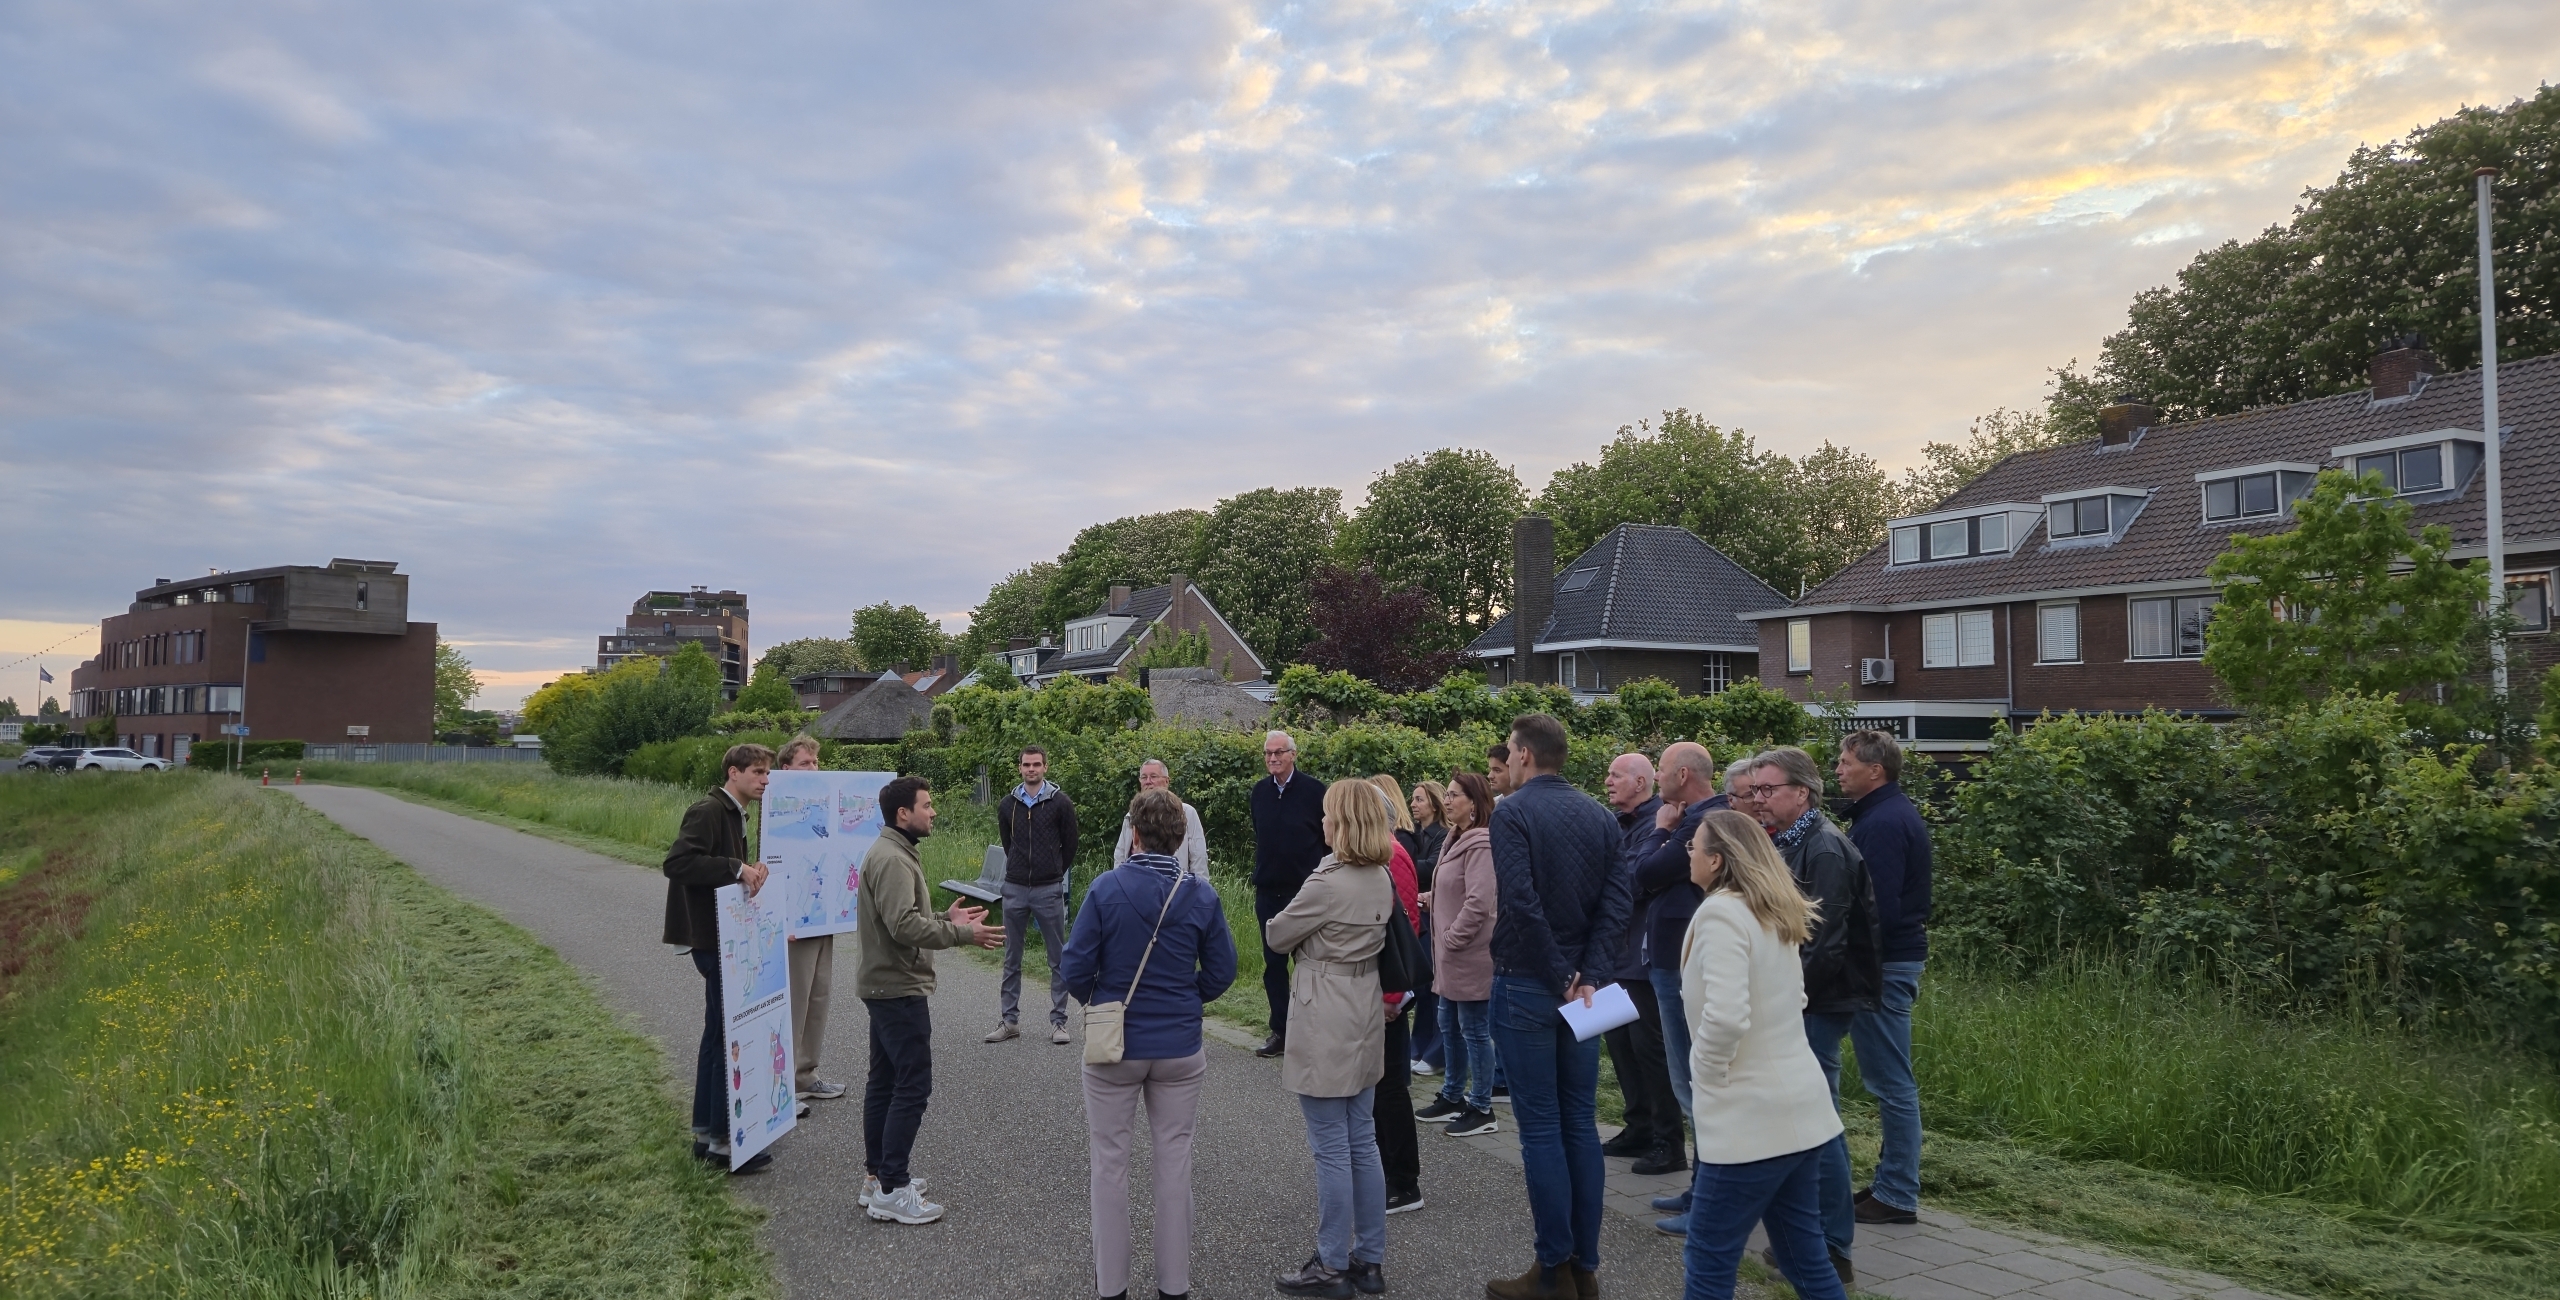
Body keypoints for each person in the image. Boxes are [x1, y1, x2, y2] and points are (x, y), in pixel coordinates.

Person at [1058, 788, 1238, 1300]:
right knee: (1175, 1162)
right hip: (1179, 1044)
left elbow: (1074, 968)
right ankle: (1173, 1286)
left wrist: (1100, 1000)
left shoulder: (1106, 887)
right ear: (1180, 838)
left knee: (1109, 1163)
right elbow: (1223, 970)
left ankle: (1112, 1286)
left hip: (1115, 1046)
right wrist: (1188, 997)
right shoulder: (1200, 894)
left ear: (1134, 834)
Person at [1483, 714, 1632, 1300]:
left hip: (1528, 981)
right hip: (1587, 991)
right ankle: (1583, 1267)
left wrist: (1561, 974)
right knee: (1580, 1124)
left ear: (1523, 754)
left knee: (1542, 1128)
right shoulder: (1600, 815)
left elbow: (1520, 902)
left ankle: (1552, 1270)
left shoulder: (1512, 813)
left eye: (1509, 751)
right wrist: (1589, 975)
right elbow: (1617, 902)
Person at [1677, 809, 1851, 1300]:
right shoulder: (1772, 908)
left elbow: (1727, 1016)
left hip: (1748, 1118)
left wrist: (1707, 1072)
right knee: (1805, 1257)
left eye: (1693, 846)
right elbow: (1797, 997)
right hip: (1799, 1108)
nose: (1688, 854)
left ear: (1715, 860)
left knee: (1708, 1258)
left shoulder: (1721, 913)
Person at [1743, 747, 1881, 1283]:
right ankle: (1806, 1240)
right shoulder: (1787, 841)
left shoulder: (1822, 848)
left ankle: (1831, 1249)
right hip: (1801, 998)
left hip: (1818, 1001)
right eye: (1755, 789)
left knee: (1816, 1123)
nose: (1759, 798)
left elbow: (1823, 944)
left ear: (1801, 792)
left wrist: (1782, 1002)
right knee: (1798, 1121)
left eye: (1768, 789)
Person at [1266, 779, 1398, 1299]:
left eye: (1327, 815)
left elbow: (1278, 934)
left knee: (1331, 1148)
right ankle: (1369, 1257)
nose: (1321, 821)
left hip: (1324, 1009)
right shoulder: (1381, 876)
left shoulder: (1327, 882)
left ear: (1341, 823)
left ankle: (1331, 1261)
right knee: (1362, 1138)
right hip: (1364, 1005)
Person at [855, 776, 1005, 1224]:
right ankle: (893, 1188)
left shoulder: (895, 851)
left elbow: (902, 918)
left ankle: (878, 1178)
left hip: (886, 983)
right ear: (904, 814)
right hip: (898, 987)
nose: (933, 811)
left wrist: (943, 916)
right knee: (912, 1085)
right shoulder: (892, 859)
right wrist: (962, 933)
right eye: (927, 805)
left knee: (885, 1081)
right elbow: (903, 926)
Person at [662, 742, 777, 1174]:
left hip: (725, 937)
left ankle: (709, 1136)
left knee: (718, 1035)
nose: (765, 780)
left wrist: (748, 871)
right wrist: (735, 867)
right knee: (725, 1037)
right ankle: (724, 1144)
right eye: (758, 772)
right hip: (712, 940)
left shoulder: (734, 812)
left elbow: (722, 869)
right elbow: (678, 863)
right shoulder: (709, 810)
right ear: (733, 772)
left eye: (767, 773)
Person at [1834, 730, 1932, 1226]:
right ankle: (1891, 1183)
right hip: (1887, 962)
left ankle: (1897, 1193)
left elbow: (1878, 909)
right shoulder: (1880, 816)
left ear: (1876, 770)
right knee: (1888, 1079)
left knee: (1891, 1082)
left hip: (1884, 965)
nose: (1838, 769)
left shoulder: (1884, 823)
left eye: (1846, 761)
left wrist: (1844, 957)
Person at [1632, 741, 1726, 1233]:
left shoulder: (1702, 822)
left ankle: (1709, 1203)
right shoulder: (1695, 818)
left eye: (1662, 769)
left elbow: (1645, 872)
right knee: (1684, 1079)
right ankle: (1700, 1187)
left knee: (1693, 1083)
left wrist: (1661, 830)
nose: (1657, 778)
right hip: (1669, 958)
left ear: (1683, 774)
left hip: (1680, 962)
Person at [1599, 752, 1683, 1174]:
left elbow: (1633, 881)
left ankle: (1669, 1140)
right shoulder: (1616, 824)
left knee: (1649, 1048)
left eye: (1616, 775)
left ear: (1641, 782)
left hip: (1642, 959)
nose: (1608, 781)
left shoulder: (1661, 823)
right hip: (1614, 955)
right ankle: (1638, 1126)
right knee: (1619, 1044)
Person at [1413, 771, 1499, 1137]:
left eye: (1454, 795)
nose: (1447, 801)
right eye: (1446, 795)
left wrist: (1451, 937)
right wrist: (1432, 898)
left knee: (1475, 1030)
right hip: (1450, 955)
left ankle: (1481, 1107)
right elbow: (1456, 888)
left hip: (1468, 953)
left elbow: (1480, 901)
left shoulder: (1482, 843)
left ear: (1474, 803)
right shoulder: (1455, 837)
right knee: (1448, 1023)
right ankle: (1452, 1095)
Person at [991, 746, 1080, 1045]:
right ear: (1019, 768)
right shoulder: (1007, 805)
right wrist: (1020, 868)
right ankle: (1009, 1021)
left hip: (1048, 889)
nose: (1031, 769)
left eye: (1037, 764)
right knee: (1011, 958)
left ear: (1045, 767)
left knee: (1058, 958)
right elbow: (1008, 843)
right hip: (1015, 888)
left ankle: (1059, 1023)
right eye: (1027, 764)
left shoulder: (1060, 803)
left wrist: (1053, 871)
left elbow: (1070, 843)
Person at [1367, 778, 1427, 1215]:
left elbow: (1404, 929)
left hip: (1388, 996)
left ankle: (1405, 1182)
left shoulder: (1393, 854)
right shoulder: (1377, 852)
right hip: (1372, 991)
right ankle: (1382, 1170)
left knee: (1390, 1088)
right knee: (1376, 1086)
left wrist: (1392, 995)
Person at [1250, 730, 1329, 1059]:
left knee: (1310, 963)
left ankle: (1313, 1031)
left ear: (1293, 754)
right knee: (1273, 964)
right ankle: (1281, 1030)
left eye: (1279, 752)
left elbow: (1326, 841)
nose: (1272, 758)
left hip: (1304, 893)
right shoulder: (1259, 792)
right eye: (1268, 753)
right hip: (1269, 891)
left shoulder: (1314, 791)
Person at [775, 736, 844, 1113]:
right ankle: (781, 1083)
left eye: (816, 763)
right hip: (793, 921)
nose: (813, 769)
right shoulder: (776, 807)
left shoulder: (824, 804)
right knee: (795, 1001)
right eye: (805, 763)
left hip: (823, 916)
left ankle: (805, 1074)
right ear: (786, 769)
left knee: (818, 996)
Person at [1397, 779, 1450, 1074]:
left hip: (1433, 914)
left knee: (1433, 986)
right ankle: (1418, 1046)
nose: (1413, 804)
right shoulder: (1414, 834)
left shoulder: (1443, 835)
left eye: (1419, 799)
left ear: (1434, 803)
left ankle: (1435, 1053)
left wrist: (1402, 863)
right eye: (1413, 799)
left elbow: (1431, 867)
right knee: (1421, 986)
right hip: (1417, 912)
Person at [1112, 758, 1209, 876]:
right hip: (1136, 883)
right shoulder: (1131, 816)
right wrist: (1118, 880)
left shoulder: (1186, 813)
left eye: (1153, 776)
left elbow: (1198, 856)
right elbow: (1120, 855)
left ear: (1167, 781)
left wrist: (1198, 884)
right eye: (1144, 777)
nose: (1148, 781)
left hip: (1174, 882)